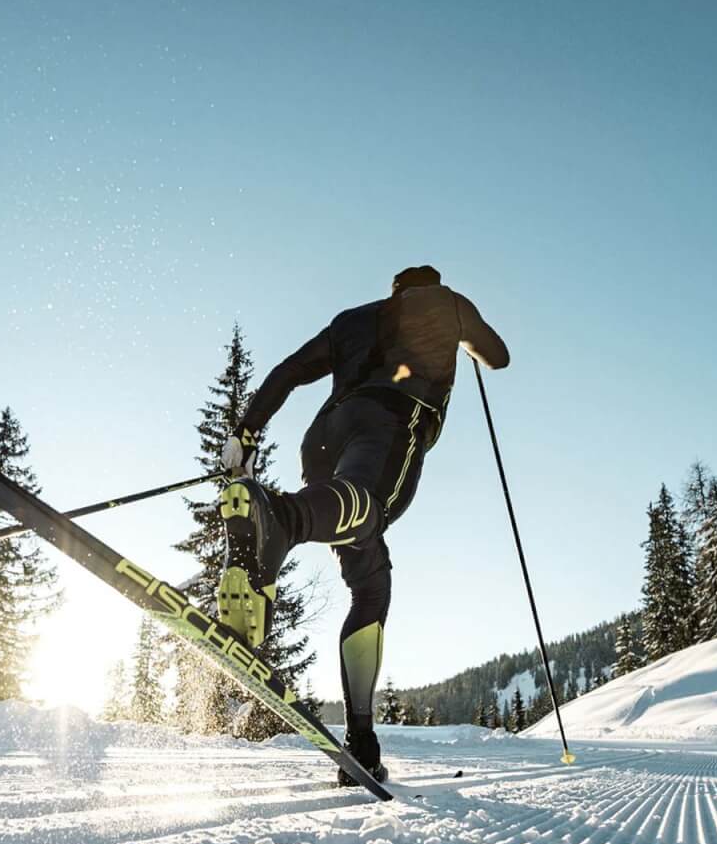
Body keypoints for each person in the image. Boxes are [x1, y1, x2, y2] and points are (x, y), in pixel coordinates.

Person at [217, 265, 509, 785]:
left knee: (370, 581)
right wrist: (467, 341)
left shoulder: (353, 320)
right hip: (392, 421)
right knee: (371, 507)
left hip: (323, 438)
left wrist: (247, 432)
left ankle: (363, 743)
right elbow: (499, 355)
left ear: (393, 290)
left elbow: (289, 371)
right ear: (432, 287)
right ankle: (280, 520)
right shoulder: (448, 304)